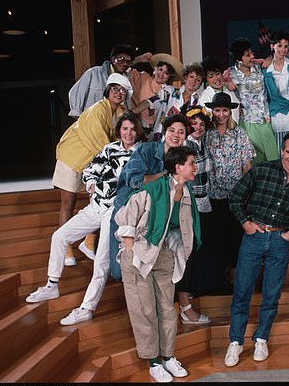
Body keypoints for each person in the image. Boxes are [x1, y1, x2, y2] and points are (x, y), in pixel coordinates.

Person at [26, 113, 145, 326]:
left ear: (138, 131)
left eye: (133, 129)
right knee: (59, 236)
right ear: (119, 130)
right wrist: (90, 182)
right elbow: (91, 169)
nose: (128, 133)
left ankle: (86, 308)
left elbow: (137, 183)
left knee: (101, 262)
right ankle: (52, 285)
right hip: (96, 205)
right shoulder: (110, 149)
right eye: (125, 128)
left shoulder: (142, 153)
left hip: (117, 211)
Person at [109, 113, 209, 325]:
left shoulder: (183, 160)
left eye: (181, 132)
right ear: (164, 132)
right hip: (128, 212)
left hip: (157, 220)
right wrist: (167, 178)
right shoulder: (148, 151)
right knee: (117, 269)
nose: (176, 135)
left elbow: (181, 198)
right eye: (172, 130)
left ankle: (177, 309)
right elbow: (136, 180)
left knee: (184, 249)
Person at [224, 132, 289, 368]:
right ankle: (236, 341)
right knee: (242, 290)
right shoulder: (262, 170)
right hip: (254, 236)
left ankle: (261, 338)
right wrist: (245, 223)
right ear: (282, 151)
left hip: (280, 241)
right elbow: (235, 198)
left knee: (272, 294)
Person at [114, 145, 200, 382]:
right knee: (145, 310)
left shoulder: (186, 193)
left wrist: (177, 252)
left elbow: (182, 228)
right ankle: (153, 363)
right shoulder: (152, 189)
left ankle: (168, 357)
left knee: (166, 309)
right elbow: (124, 217)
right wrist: (132, 250)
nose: (195, 167)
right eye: (192, 163)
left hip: (164, 255)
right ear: (178, 167)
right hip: (139, 254)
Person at [53, 73, 132, 266]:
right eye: (115, 89)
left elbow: (120, 137)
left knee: (101, 201)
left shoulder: (120, 112)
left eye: (122, 90)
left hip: (94, 162)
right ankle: (65, 249)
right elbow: (103, 144)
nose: (119, 93)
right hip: (73, 158)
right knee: (68, 203)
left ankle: (88, 242)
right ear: (107, 91)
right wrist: (122, 158)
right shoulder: (97, 109)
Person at [204, 92, 256, 291]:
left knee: (235, 237)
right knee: (217, 238)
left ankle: (235, 279)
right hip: (213, 195)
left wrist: (250, 190)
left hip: (235, 194)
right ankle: (218, 279)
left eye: (225, 110)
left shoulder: (239, 133)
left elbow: (247, 164)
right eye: (217, 110)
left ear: (230, 111)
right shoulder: (206, 134)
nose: (221, 114)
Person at [177, 105, 225, 297]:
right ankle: (188, 288)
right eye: (194, 124)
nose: (198, 127)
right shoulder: (186, 146)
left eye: (201, 124)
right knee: (193, 245)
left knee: (205, 244)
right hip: (191, 200)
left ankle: (202, 285)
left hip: (205, 199)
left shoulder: (201, 143)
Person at [227, 37, 280, 164]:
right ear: (238, 59)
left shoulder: (258, 66)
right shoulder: (231, 74)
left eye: (251, 53)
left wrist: (269, 59)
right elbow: (215, 82)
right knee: (255, 160)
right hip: (247, 122)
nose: (252, 56)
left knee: (273, 158)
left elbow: (273, 59)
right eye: (247, 55)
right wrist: (226, 83)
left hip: (265, 119)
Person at [68, 43, 149, 118]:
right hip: (89, 125)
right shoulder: (93, 73)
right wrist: (81, 122)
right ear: (113, 59)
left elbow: (125, 108)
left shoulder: (125, 82)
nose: (124, 63)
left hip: (112, 127)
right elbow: (75, 97)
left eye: (128, 62)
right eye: (121, 58)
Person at [131, 62, 205, 142]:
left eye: (198, 80)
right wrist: (131, 112)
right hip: (161, 139)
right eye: (191, 77)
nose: (194, 81)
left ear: (200, 84)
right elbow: (150, 102)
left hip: (183, 143)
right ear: (185, 77)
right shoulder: (169, 91)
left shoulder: (200, 102)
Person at [263, 30, 289, 150]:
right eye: (279, 46)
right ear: (272, 46)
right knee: (281, 152)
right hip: (278, 118)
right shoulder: (265, 69)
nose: (283, 50)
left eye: (286, 46)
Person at [129, 53, 184, 136]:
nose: (161, 74)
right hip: (131, 122)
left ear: (169, 77)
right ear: (155, 69)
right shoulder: (142, 77)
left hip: (153, 131)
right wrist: (139, 59)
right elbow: (124, 68)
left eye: (166, 73)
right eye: (160, 69)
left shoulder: (169, 91)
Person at [199, 56, 242, 125]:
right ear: (206, 79)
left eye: (217, 74)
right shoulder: (205, 97)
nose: (216, 78)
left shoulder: (229, 90)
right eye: (211, 76)